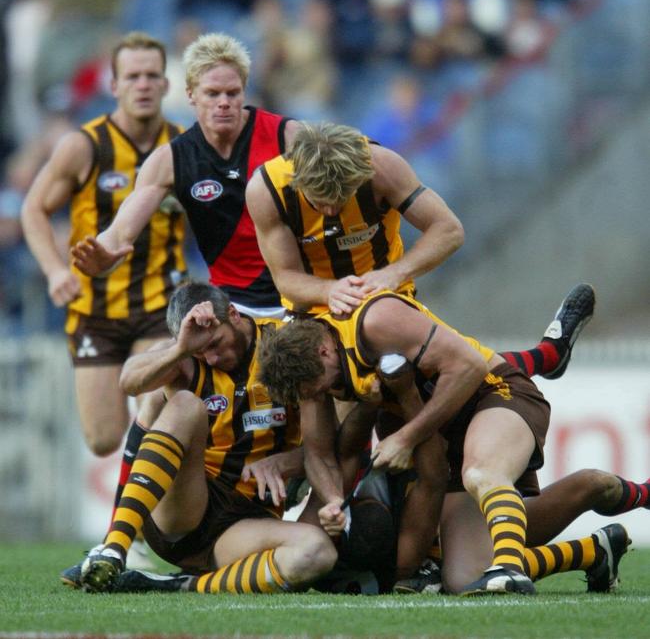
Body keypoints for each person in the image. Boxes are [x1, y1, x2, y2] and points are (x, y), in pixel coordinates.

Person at [256, 289, 631, 595]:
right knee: (464, 578)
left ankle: (509, 569)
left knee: (482, 472)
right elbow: (326, 456)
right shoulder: (313, 373)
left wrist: (406, 433)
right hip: (433, 423)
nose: (327, 394)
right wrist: (335, 500)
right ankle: (594, 543)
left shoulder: (375, 320)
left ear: (324, 350)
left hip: (492, 392)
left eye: (325, 386)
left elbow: (469, 366)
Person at [245, 121, 593, 379]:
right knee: (312, 401)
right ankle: (547, 357)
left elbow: (449, 230)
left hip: (384, 296)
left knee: (454, 373)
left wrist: (392, 274)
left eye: (341, 199)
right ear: (299, 181)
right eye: (321, 203)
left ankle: (547, 356)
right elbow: (286, 278)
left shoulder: (382, 167)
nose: (332, 212)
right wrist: (330, 289)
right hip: (313, 309)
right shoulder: (267, 191)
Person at [80, 280, 337, 594]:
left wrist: (285, 461)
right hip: (186, 508)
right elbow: (129, 381)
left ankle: (180, 585)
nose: (212, 358)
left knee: (316, 552)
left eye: (215, 343)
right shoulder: (188, 358)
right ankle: (115, 547)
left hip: (245, 524)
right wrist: (181, 349)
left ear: (233, 314)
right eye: (201, 352)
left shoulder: (281, 348)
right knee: (182, 403)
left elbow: (322, 447)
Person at [22, 31, 186, 459]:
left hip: (160, 306)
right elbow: (33, 209)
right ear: (113, 86)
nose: (144, 85)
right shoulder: (84, 146)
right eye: (133, 76)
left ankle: (154, 519)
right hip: (94, 311)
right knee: (103, 439)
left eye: (152, 76)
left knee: (155, 417)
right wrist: (56, 270)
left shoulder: (185, 145)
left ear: (167, 84)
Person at [70, 31, 300, 319]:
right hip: (232, 309)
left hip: (299, 297)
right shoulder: (170, 160)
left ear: (244, 90)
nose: (224, 102)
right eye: (212, 94)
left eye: (233, 92)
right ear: (191, 94)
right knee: (161, 362)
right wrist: (102, 256)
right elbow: (120, 232)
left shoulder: (287, 136)